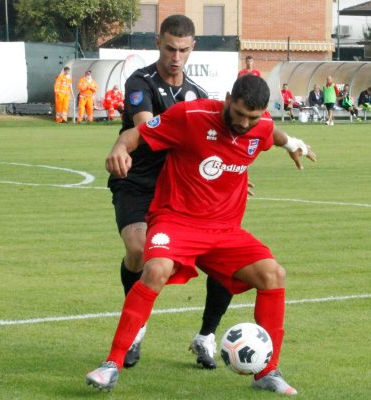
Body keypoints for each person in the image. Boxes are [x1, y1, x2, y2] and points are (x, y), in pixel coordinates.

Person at [107, 14, 314, 372]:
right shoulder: (142, 82)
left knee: (226, 259)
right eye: (170, 48)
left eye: (183, 50)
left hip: (188, 184)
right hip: (139, 180)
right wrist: (216, 164)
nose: (176, 56)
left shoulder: (199, 94)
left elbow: (259, 131)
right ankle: (136, 327)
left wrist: (227, 172)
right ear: (158, 43)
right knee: (141, 254)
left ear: (192, 49)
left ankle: (206, 334)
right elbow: (146, 130)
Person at [87, 74, 301, 395]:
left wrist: (294, 144)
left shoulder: (261, 126)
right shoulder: (192, 116)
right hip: (176, 221)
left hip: (224, 231)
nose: (243, 123)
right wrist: (120, 148)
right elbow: (136, 134)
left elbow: (272, 132)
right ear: (228, 98)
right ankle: (112, 364)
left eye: (251, 117)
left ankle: (267, 372)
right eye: (239, 113)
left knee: (273, 274)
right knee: (155, 269)